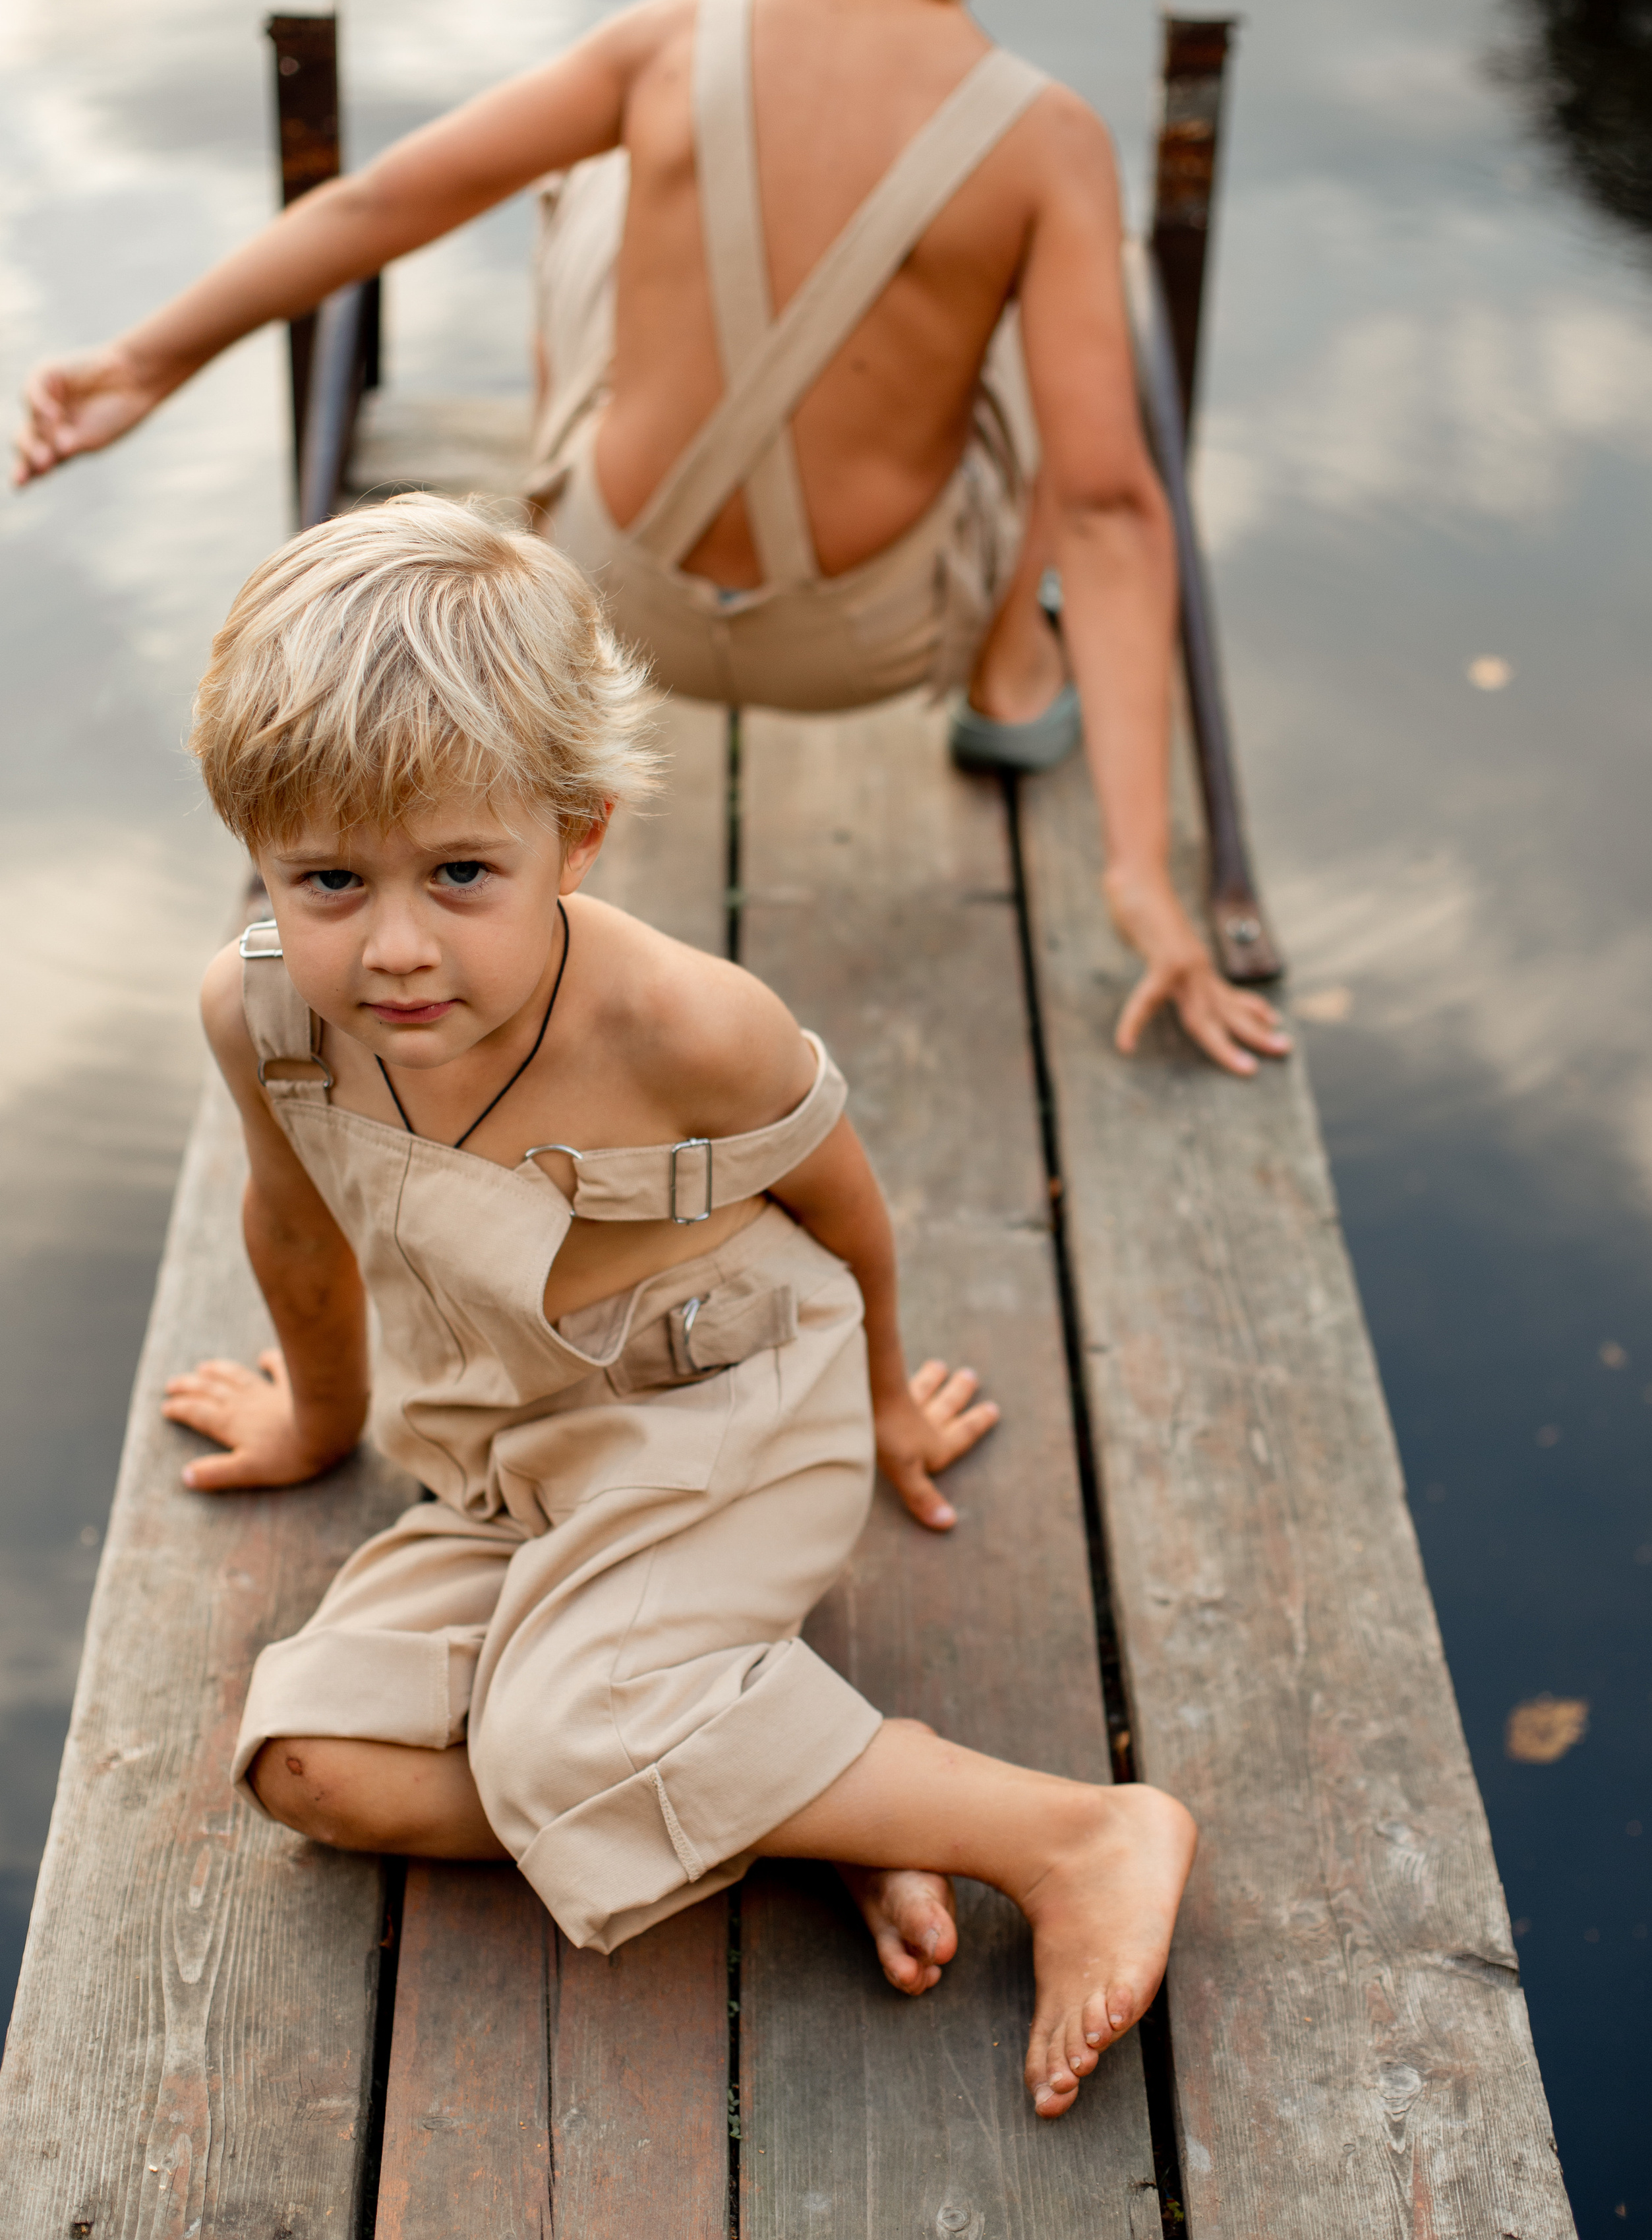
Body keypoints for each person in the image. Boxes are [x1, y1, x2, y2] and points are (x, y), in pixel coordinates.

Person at [162, 494, 1196, 2118]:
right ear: (260, 856)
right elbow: (288, 1220)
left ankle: (1072, 1834)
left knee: (552, 1748)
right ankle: (821, 1803)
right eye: (328, 880)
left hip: (722, 1409)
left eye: (458, 871)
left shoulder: (684, 1028)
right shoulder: (267, 1017)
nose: (396, 946)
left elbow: (843, 1206)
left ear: (576, 832)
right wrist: (313, 1422)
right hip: (515, 1447)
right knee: (307, 1762)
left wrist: (875, 1408)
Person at [12, 0, 1289, 1079]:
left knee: (587, 170)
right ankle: (1014, 679)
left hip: (610, 611)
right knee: (1059, 334)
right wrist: (1140, 877)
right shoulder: (1044, 135)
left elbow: (380, 206)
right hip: (878, 641)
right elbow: (1112, 510)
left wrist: (146, 358)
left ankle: (569, 506)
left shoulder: (667, 40)